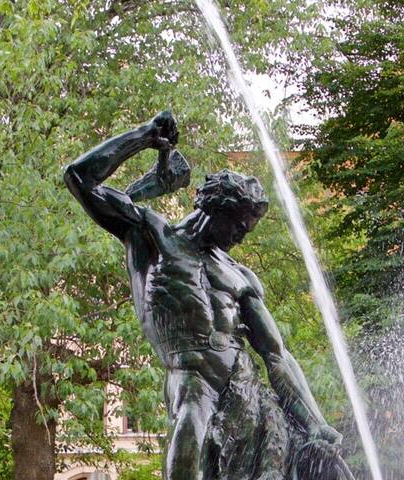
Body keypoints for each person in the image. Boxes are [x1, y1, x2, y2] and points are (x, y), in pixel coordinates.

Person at [64, 111, 346, 479]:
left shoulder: (240, 275)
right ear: (216, 210)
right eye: (239, 225)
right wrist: (145, 136)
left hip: (248, 394)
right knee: (188, 441)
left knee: (322, 464)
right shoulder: (153, 236)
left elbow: (276, 355)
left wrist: (315, 422)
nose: (241, 236)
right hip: (194, 385)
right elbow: (79, 177)